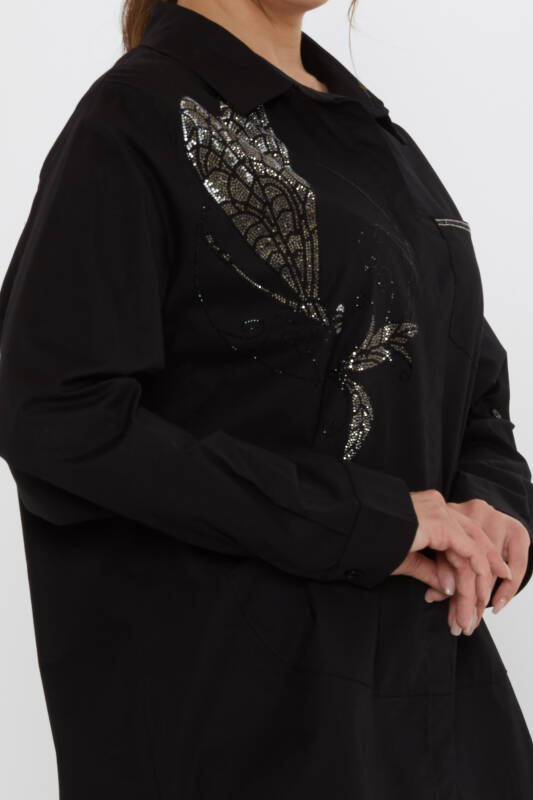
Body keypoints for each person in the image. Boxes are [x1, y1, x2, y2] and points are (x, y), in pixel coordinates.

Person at [1, 0, 532, 797]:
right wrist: (359, 520)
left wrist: (495, 503)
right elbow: (53, 415)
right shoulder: (134, 117)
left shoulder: (368, 135)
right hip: (246, 728)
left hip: (435, 716)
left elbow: (470, 384)